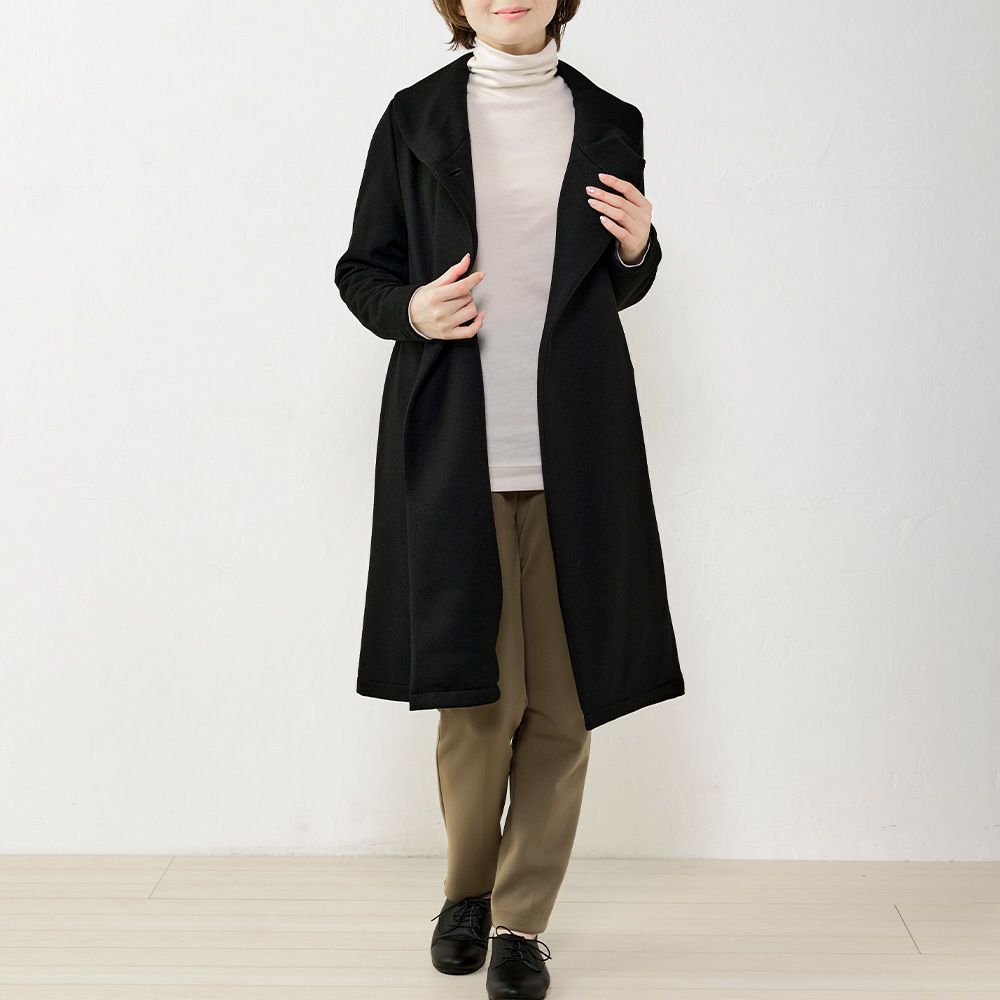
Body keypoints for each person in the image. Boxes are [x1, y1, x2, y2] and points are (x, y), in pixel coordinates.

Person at [336, 2, 684, 997]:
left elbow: (610, 284)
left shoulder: (611, 119)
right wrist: (411, 309)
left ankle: (520, 924)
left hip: (577, 449)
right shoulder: (413, 117)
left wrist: (639, 250)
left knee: (565, 706)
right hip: (456, 446)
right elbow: (364, 271)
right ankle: (465, 891)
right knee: (475, 698)